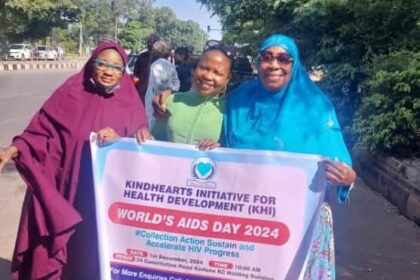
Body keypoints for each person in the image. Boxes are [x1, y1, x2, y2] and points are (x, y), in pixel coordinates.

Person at [0, 40, 147, 279]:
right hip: (64, 190)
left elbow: (139, 150)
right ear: (92, 63)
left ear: (124, 71)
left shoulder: (130, 104)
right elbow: (40, 134)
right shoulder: (70, 93)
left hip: (99, 199)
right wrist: (12, 150)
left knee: (90, 254)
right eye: (102, 64)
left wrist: (120, 141)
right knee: (53, 253)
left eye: (116, 67)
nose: (109, 71)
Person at [223, 34, 356, 279]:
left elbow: (341, 162)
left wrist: (346, 176)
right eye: (267, 57)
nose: (274, 65)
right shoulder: (239, 100)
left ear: (294, 65)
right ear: (259, 61)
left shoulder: (316, 106)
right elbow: (219, 146)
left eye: (284, 59)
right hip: (246, 221)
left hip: (302, 224)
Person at [141, 45, 234, 145]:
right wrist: (146, 137)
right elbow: (157, 140)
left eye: (217, 73)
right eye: (203, 67)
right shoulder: (170, 101)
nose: (208, 76)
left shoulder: (230, 112)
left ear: (227, 79)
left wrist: (219, 149)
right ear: (195, 69)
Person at [144, 40, 179, 129]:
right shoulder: (171, 66)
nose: (151, 53)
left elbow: (156, 85)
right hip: (167, 101)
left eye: (153, 51)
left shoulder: (155, 66)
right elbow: (176, 84)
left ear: (157, 52)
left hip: (154, 102)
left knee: (152, 126)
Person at [133, 33, 160, 103]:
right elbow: (136, 73)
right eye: (148, 42)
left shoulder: (161, 58)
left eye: (151, 42)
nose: (149, 44)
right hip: (143, 90)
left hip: (154, 92)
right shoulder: (142, 56)